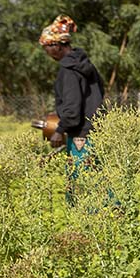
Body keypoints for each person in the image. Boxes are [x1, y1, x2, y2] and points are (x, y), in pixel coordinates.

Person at [39, 15, 105, 199]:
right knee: (99, 180)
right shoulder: (86, 65)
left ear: (57, 45)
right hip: (97, 131)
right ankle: (113, 219)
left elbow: (73, 108)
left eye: (47, 48)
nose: (47, 53)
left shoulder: (68, 71)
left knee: (80, 188)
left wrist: (59, 130)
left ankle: (85, 224)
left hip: (80, 136)